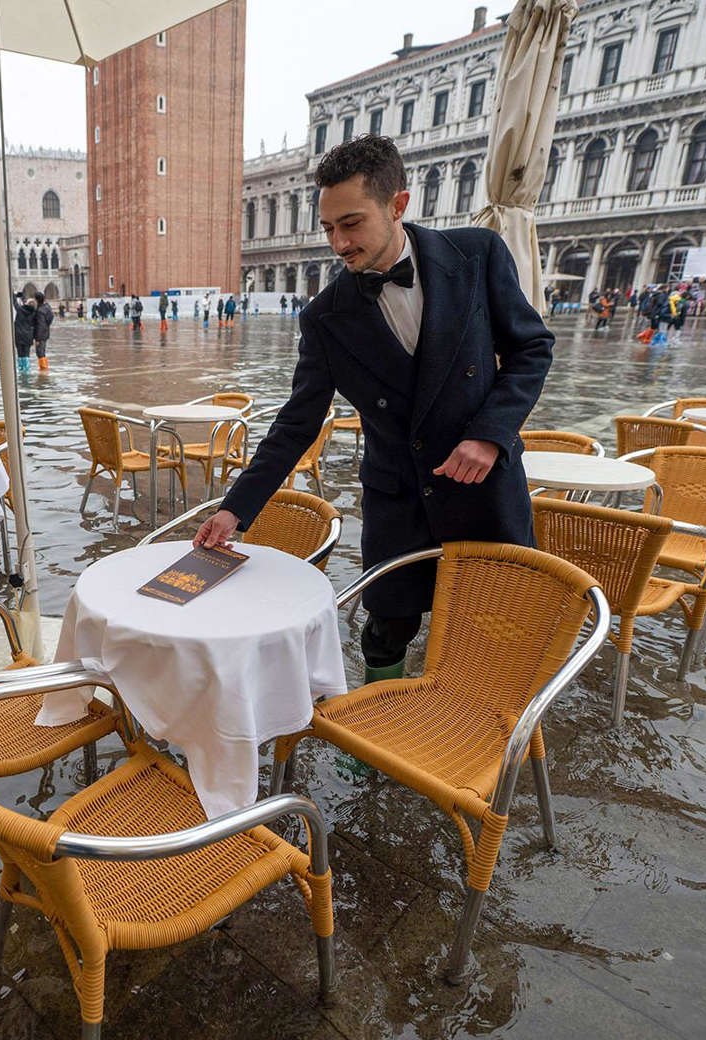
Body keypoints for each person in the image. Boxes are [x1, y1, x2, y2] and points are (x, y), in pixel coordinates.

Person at [193, 134, 553, 682]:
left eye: (352, 223)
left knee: (495, 623)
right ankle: (378, 738)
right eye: (328, 228)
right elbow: (296, 423)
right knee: (386, 626)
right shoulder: (324, 316)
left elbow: (531, 348)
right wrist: (234, 510)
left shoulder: (478, 254)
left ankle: (483, 725)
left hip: (486, 489)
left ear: (398, 205)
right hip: (397, 499)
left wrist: (489, 433)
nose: (338, 244)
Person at [13, 291, 38, 374]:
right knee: (27, 354)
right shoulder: (34, 313)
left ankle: (21, 370)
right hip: (28, 336)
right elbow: (26, 304)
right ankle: (27, 370)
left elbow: (14, 303)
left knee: (20, 354)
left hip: (19, 335)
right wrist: (22, 296)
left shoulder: (20, 310)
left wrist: (14, 295)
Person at [34, 290, 54, 369]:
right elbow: (49, 320)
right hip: (45, 333)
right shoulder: (47, 307)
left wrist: (38, 339)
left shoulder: (40, 311)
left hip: (41, 335)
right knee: (42, 351)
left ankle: (43, 369)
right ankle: (44, 368)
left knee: (40, 352)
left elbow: (40, 326)